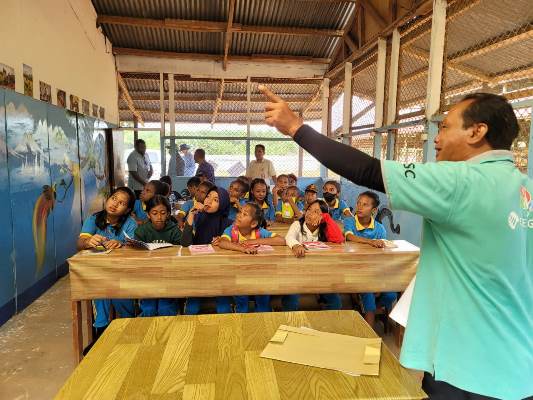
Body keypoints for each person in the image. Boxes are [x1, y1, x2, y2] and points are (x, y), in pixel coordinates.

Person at [259, 85, 533, 400]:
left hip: (470, 368)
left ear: (477, 132)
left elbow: (368, 170)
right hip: (521, 365)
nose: (436, 138)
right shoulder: (524, 189)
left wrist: (295, 127)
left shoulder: (462, 181)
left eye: (444, 127)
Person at [76, 187, 137, 342]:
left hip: (122, 274)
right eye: (114, 198)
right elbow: (80, 243)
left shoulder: (130, 224)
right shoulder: (94, 219)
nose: (115, 204)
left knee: (122, 297)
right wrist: (88, 241)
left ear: (127, 209)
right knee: (100, 293)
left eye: (122, 203)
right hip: (98, 273)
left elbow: (135, 249)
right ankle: (101, 333)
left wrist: (122, 244)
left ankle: (127, 331)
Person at [217, 203, 286, 312]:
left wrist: (252, 241)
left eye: (244, 214)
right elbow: (222, 243)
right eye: (240, 212)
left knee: (263, 305)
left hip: (260, 275)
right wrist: (242, 248)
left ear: (253, 223)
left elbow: (281, 240)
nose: (239, 215)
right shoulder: (231, 230)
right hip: (239, 275)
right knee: (242, 304)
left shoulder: (259, 232)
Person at [344, 191, 396, 327]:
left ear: (374, 210)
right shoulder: (350, 221)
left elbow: (384, 255)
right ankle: (370, 335)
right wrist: (370, 242)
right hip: (356, 270)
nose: (359, 207)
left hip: (376, 271)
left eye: (365, 205)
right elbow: (349, 237)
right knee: (368, 291)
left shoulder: (379, 228)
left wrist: (379, 282)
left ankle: (368, 307)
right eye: (358, 203)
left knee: (391, 295)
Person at [181, 187, 233, 315]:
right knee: (191, 308)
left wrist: (223, 241)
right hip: (198, 269)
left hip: (220, 271)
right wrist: (191, 215)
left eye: (215, 200)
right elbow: (185, 243)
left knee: (223, 307)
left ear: (223, 204)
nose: (209, 201)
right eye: (208, 196)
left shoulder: (229, 223)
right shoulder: (199, 218)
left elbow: (232, 248)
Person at [285, 199, 345, 310]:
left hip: (320, 273)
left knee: (336, 303)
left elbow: (339, 239)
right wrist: (296, 245)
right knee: (291, 301)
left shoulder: (325, 228)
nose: (309, 213)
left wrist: (326, 218)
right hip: (298, 273)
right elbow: (289, 237)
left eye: (316, 212)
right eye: (309, 210)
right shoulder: (298, 224)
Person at [135, 195, 182, 317]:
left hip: (169, 277)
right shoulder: (141, 231)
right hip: (148, 278)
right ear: (148, 215)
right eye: (154, 213)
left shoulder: (174, 230)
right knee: (149, 310)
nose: (159, 217)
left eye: (163, 213)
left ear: (168, 214)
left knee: (165, 309)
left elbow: (182, 253)